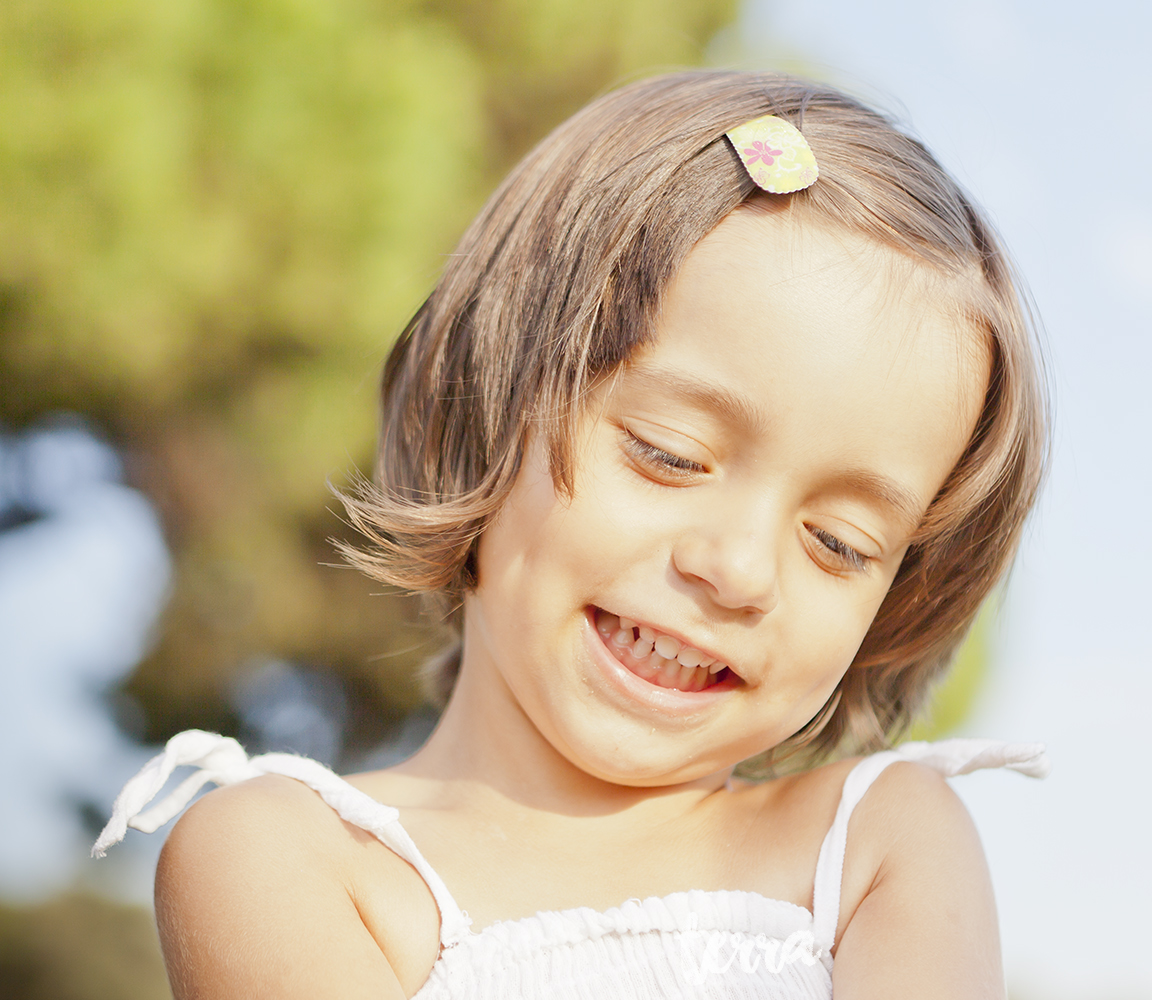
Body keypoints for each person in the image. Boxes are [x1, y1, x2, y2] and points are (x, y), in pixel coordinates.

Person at [94, 70, 1051, 999]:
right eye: (669, 454)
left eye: (839, 542)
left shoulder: (878, 848)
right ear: (485, 402)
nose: (739, 569)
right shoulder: (288, 856)